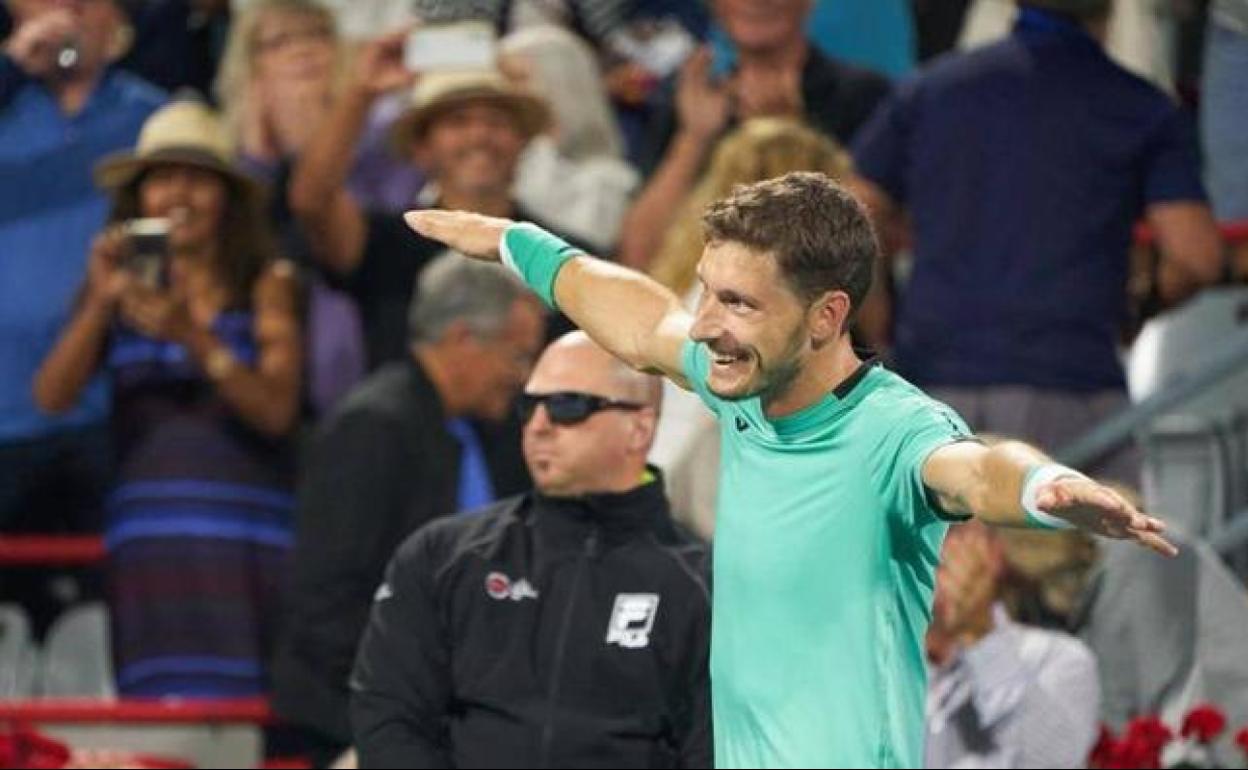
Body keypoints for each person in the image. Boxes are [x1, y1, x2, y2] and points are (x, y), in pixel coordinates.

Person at [403, 171, 1176, 768]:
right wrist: (515, 243)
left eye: (737, 303)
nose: (707, 323)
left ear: (827, 317)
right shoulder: (743, 375)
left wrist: (1045, 489)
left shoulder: (895, 430)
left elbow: (976, 471)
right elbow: (641, 324)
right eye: (708, 291)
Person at [850, 0, 1223, 483]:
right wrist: (1140, 305)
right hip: (1069, 393)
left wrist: (878, 325)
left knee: (938, 560)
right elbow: (1197, 256)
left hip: (930, 395)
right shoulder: (1140, 108)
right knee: (1104, 553)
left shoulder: (931, 90)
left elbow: (853, 206)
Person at [33, 99, 302, 696]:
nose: (179, 194)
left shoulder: (266, 284)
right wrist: (102, 300)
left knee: (248, 721)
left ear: (226, 196)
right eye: (163, 177)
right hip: (152, 542)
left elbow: (276, 410)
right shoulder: (113, 296)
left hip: (244, 535)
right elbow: (51, 396)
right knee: (159, 721)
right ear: (139, 198)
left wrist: (194, 337)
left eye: (197, 177)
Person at [351, 331, 712, 768]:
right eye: (530, 406)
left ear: (639, 427)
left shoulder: (702, 585)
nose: (538, 425)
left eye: (567, 406)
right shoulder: (443, 557)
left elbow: (710, 747)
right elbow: (390, 714)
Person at [272, 254, 543, 764]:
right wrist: (398, 704)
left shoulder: (473, 433)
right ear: (463, 339)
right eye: (516, 355)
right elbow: (326, 599)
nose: (522, 376)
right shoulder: (375, 426)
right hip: (356, 722)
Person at [0, 0, 164, 630]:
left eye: (84, 3)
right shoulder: (6, 106)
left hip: (107, 409)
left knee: (101, 617)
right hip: (3, 408)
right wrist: (12, 67)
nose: (66, 17)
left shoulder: (151, 115)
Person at [289, 28, 582, 367]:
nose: (479, 135)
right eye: (458, 122)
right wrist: (361, 92)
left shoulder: (562, 255)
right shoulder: (389, 241)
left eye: (497, 121)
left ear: (523, 142)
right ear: (422, 148)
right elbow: (311, 201)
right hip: (406, 420)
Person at [620, 0, 889, 269]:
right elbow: (637, 259)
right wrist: (694, 139)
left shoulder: (863, 98)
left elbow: (861, 270)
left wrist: (788, 141)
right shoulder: (688, 101)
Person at [925, 521, 1100, 769]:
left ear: (994, 553)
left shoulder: (1058, 659)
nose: (934, 549)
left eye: (953, 532)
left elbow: (1050, 763)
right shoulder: (870, 670)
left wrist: (980, 636)